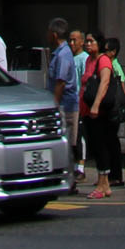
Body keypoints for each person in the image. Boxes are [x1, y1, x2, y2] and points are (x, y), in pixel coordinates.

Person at [81, 30, 117, 198]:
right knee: (95, 147)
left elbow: (104, 82)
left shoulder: (103, 60)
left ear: (99, 43)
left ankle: (102, 185)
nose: (88, 44)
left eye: (91, 40)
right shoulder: (89, 60)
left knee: (101, 146)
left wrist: (95, 105)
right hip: (87, 111)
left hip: (99, 112)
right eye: (86, 41)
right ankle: (105, 184)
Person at [45, 18, 80, 190]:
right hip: (63, 103)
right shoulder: (60, 53)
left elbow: (60, 82)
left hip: (65, 105)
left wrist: (54, 106)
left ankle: (70, 180)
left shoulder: (63, 54)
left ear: (54, 34)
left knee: (67, 142)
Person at [102, 36, 125, 187]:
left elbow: (122, 88)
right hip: (109, 109)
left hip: (113, 109)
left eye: (106, 50)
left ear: (113, 52)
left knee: (112, 142)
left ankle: (116, 175)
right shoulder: (108, 64)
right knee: (109, 141)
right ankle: (110, 174)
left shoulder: (115, 66)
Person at [68, 28, 88, 181]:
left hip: (79, 102)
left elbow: (83, 81)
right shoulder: (70, 58)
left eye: (75, 40)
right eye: (70, 40)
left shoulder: (83, 59)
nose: (72, 43)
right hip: (70, 102)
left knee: (79, 134)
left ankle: (80, 166)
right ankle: (73, 164)